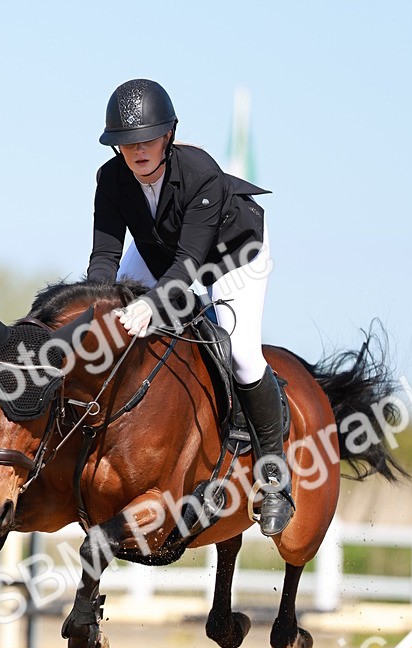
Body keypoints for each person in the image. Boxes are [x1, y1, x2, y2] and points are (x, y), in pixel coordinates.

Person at [86, 78, 293, 537]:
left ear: (168, 136)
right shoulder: (111, 179)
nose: (138, 151)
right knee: (115, 314)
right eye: (127, 143)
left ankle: (275, 478)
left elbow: (188, 269)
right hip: (162, 252)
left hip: (233, 254)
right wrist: (95, 311)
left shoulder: (202, 175)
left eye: (147, 140)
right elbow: (104, 257)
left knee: (242, 354)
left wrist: (151, 305)